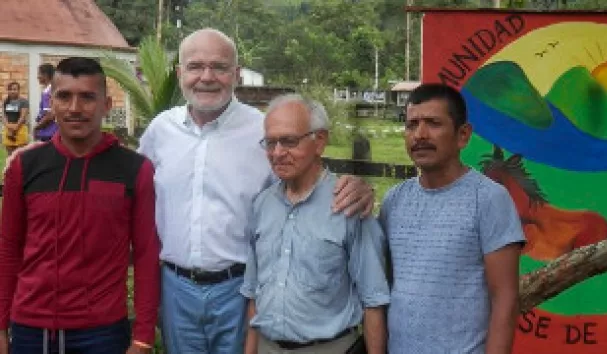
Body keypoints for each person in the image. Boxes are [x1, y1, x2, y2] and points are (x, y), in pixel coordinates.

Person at [137, 28, 374, 354]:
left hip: (240, 290)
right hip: (176, 289)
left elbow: (304, 182)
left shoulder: (261, 131)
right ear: (180, 74)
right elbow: (132, 193)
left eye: (219, 67)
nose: (206, 77)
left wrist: (358, 187)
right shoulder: (159, 131)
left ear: (237, 74)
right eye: (195, 66)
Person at [0, 57, 160, 354]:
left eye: (88, 97)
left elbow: (147, 256)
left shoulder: (134, 170)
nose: (75, 108)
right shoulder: (25, 166)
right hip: (30, 332)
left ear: (106, 104)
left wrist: (143, 338)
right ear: (53, 104)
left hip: (102, 333)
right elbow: (9, 248)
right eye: (64, 96)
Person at [379, 83, 526, 354]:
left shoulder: (490, 199)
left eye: (433, 123)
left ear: (462, 135)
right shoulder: (393, 201)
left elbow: (504, 298)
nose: (420, 135)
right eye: (412, 125)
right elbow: (383, 288)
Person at [241, 94, 389, 354]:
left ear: (319, 141)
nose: (277, 153)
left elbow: (373, 301)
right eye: (270, 142)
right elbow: (254, 293)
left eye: (288, 141)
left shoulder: (349, 205)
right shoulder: (261, 205)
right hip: (268, 346)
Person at [2, 82, 30, 155]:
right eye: (10, 89)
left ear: (19, 90)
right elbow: (4, 116)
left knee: (21, 155)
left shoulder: (23, 101)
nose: (12, 91)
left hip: (20, 129)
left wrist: (15, 128)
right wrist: (8, 126)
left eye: (14, 89)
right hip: (8, 130)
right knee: (10, 156)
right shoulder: (6, 101)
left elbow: (23, 117)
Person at [34, 63, 58, 142]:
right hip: (51, 132)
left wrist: (37, 127)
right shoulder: (52, 89)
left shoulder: (49, 92)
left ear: (45, 75)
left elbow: (50, 115)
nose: (37, 77)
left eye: (39, 73)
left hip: (50, 132)